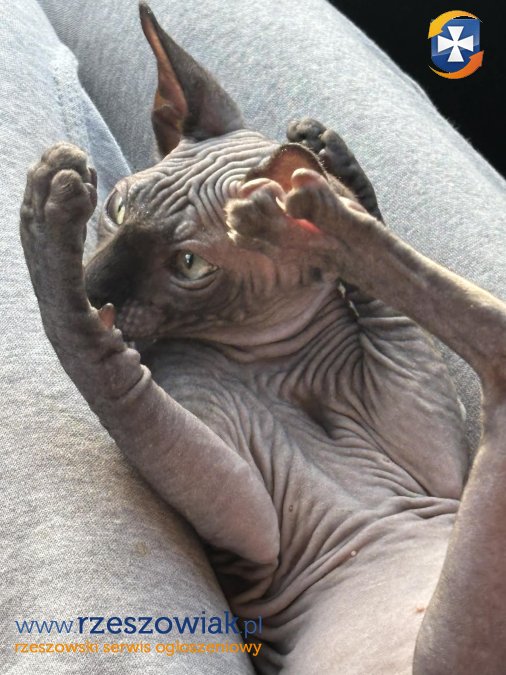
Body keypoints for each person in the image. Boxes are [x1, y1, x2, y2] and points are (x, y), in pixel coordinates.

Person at [1, 1, 505, 672]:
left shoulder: (195, 384)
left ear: (302, 246)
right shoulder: (397, 399)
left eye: (189, 266)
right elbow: (441, 450)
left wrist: (69, 317)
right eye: (119, 209)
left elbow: (230, 506)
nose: (103, 284)